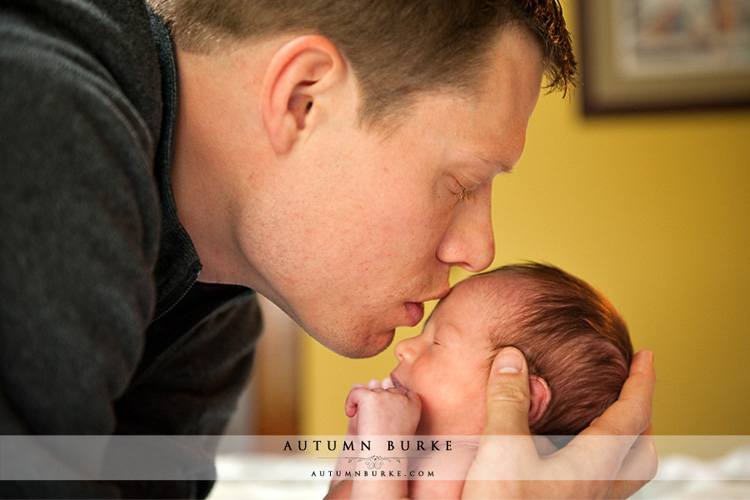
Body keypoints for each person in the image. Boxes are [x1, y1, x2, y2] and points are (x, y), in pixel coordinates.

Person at [0, 0, 656, 498]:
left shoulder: (213, 313)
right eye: (462, 182)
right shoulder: (40, 127)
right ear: (303, 99)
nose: (479, 249)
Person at [331, 262, 635, 499]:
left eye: (437, 343)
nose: (404, 347)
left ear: (523, 397)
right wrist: (360, 444)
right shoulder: (432, 451)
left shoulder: (468, 468)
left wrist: (384, 444)